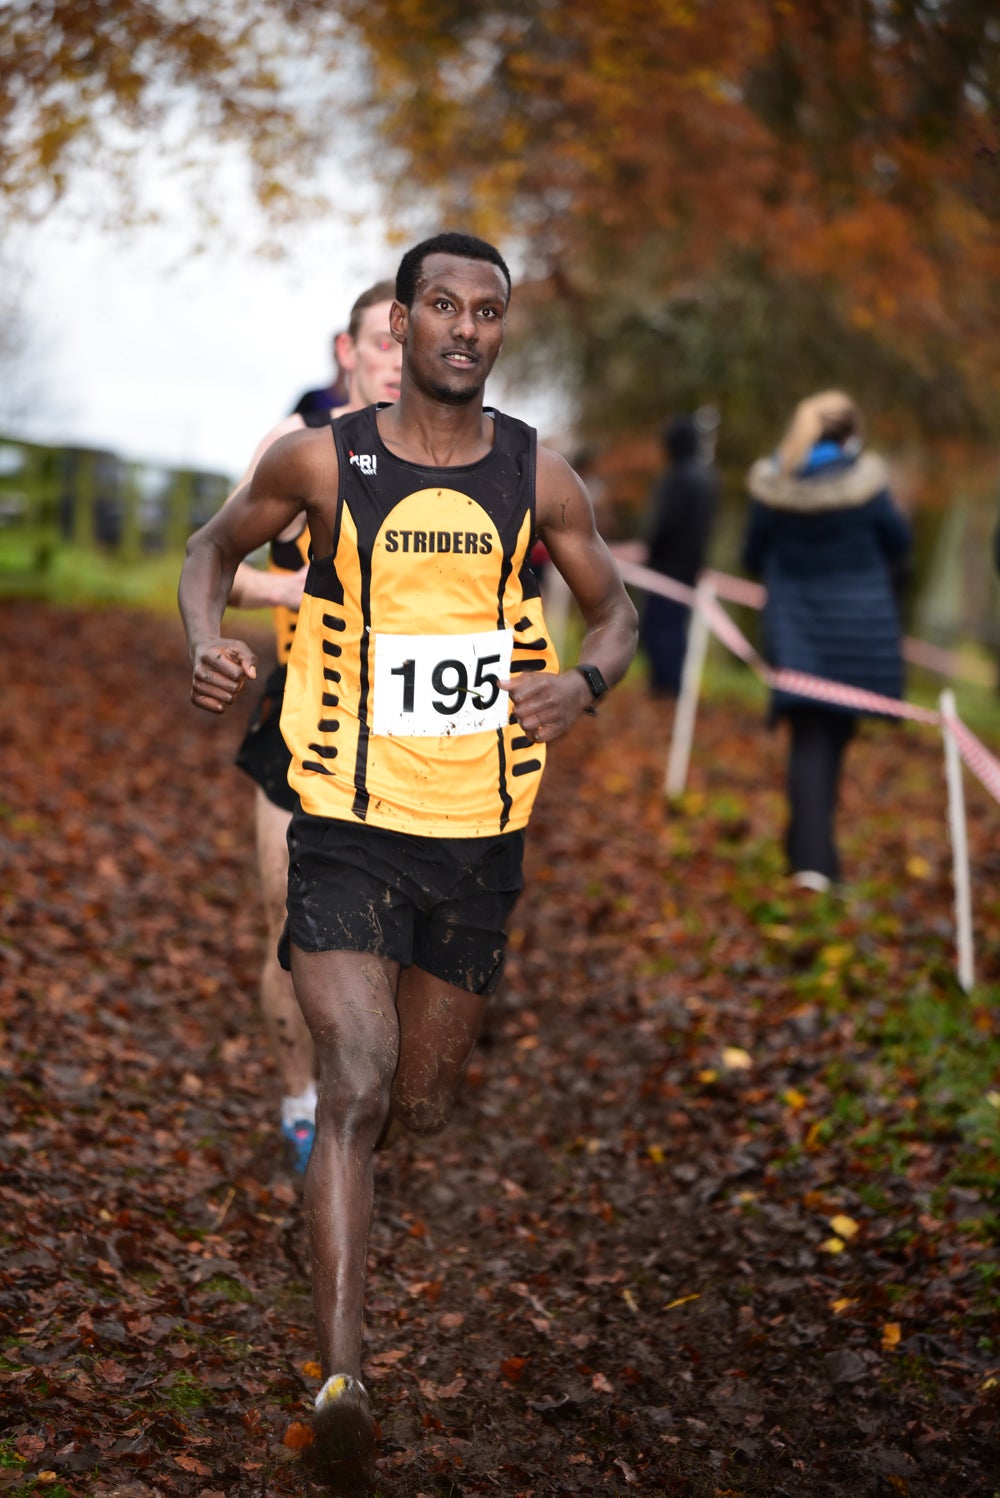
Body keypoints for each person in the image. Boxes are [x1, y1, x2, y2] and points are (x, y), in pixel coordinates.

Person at [178, 231, 638, 1489]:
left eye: (487, 311)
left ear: (501, 331)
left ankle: (337, 1202)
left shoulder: (543, 479)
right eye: (441, 303)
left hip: (477, 834)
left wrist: (583, 681)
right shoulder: (320, 460)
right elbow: (207, 548)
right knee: (359, 1083)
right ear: (403, 318)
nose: (464, 327)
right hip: (343, 816)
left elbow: (619, 608)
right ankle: (341, 1377)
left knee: (418, 1095)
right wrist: (206, 642)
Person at [223, 280, 401, 1175]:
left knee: (383, 936)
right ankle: (302, 1102)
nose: (400, 363)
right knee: (290, 929)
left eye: (414, 344)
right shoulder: (299, 450)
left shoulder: (450, 455)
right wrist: (281, 586)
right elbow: (216, 567)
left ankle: (358, 1101)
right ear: (349, 350)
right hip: (301, 713)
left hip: (401, 729)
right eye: (384, 344)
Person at [742, 390, 912, 892]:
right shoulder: (868, 486)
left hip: (797, 629)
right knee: (829, 738)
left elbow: (752, 554)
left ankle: (809, 855)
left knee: (810, 737)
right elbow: (900, 543)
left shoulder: (775, 484)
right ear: (849, 432)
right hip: (859, 629)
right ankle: (814, 862)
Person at [638, 413, 719, 696]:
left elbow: (665, 525)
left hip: (665, 568)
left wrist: (650, 549)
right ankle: (672, 685)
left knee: (660, 628)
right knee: (676, 628)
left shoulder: (676, 479)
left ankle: (665, 686)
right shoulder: (707, 479)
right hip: (689, 567)